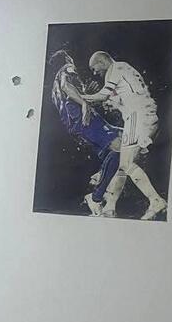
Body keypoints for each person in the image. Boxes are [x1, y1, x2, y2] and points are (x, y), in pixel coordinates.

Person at [81, 50, 167, 220]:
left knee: (126, 164)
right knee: (123, 164)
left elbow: (103, 95)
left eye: (94, 68)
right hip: (144, 116)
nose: (94, 73)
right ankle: (110, 208)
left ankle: (156, 201)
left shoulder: (116, 68)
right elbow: (112, 101)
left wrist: (81, 97)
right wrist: (104, 101)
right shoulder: (125, 72)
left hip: (137, 116)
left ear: (102, 61)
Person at [47, 50, 124, 214]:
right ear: (67, 58)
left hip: (77, 125)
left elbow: (69, 96)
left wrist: (85, 95)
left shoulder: (54, 89)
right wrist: (83, 104)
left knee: (122, 141)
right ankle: (96, 197)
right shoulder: (67, 68)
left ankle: (100, 177)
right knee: (120, 146)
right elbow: (67, 87)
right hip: (83, 121)